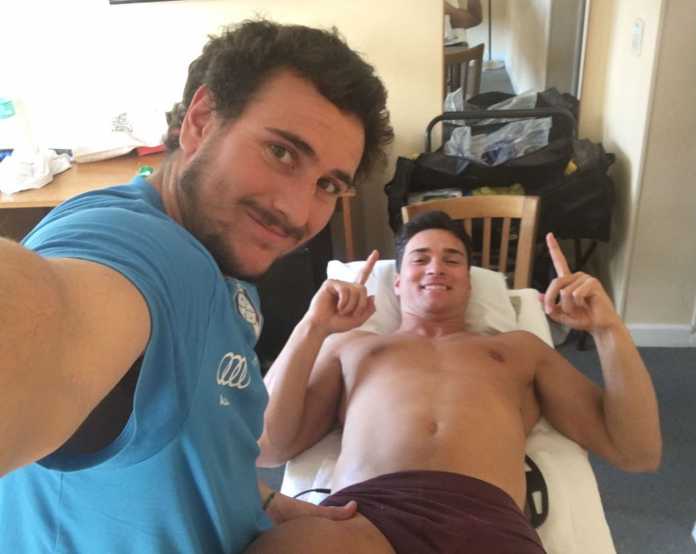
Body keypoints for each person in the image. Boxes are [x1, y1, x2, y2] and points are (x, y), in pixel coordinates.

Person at [0, 19, 393, 553]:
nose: (297, 211)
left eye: (326, 184)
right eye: (281, 152)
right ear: (202, 120)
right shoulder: (144, 251)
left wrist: (254, 498)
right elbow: (52, 320)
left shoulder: (222, 259)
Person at [249, 211, 662, 554]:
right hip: (363, 516)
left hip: (487, 523)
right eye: (420, 258)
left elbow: (636, 451)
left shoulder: (518, 349)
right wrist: (313, 326)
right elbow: (266, 445)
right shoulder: (353, 347)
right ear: (397, 282)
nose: (436, 268)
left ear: (469, 280)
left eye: (452, 259)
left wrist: (608, 329)